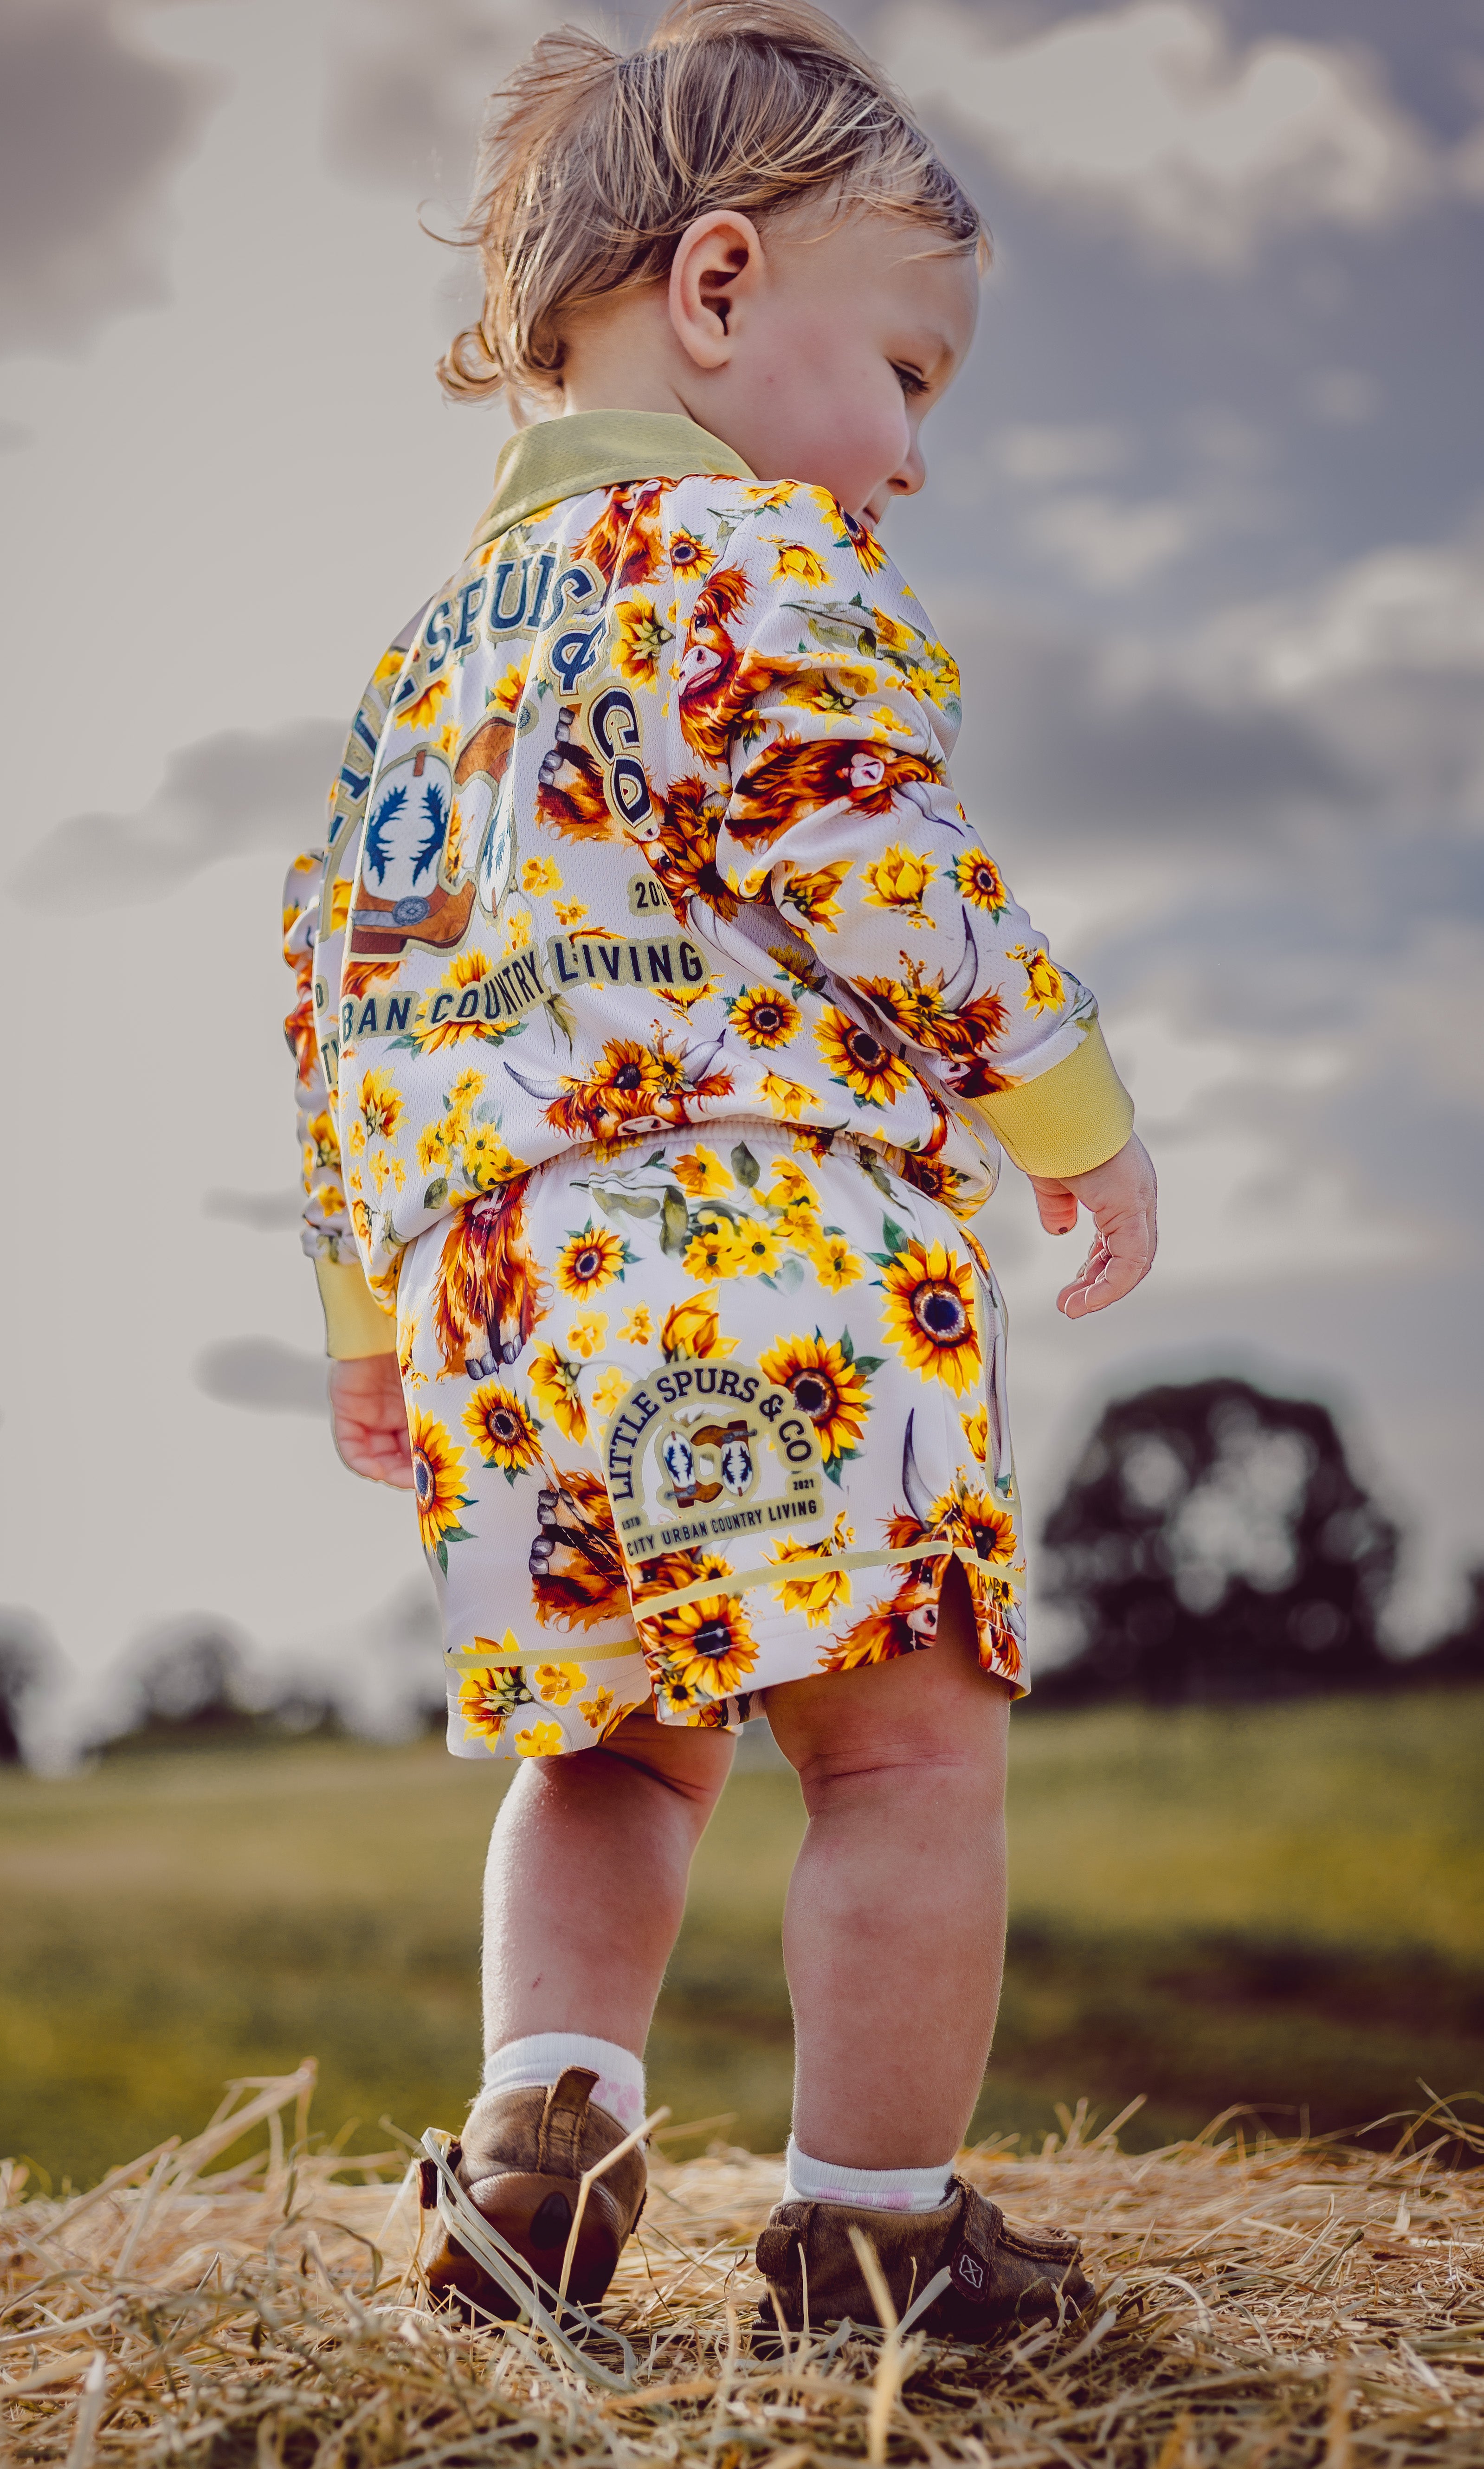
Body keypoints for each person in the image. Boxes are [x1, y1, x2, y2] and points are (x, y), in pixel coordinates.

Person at [281, 0, 1157, 2344]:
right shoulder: (749, 552)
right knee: (901, 1757)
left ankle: (530, 2155)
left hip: (499, 1301)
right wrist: (1074, 1113)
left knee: (608, 1748)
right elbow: (883, 862)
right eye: (908, 374)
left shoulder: (413, 677)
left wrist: (363, 1320)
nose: (911, 453)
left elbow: (337, 1003)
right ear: (717, 285)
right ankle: (873, 2237)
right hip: (757, 1238)